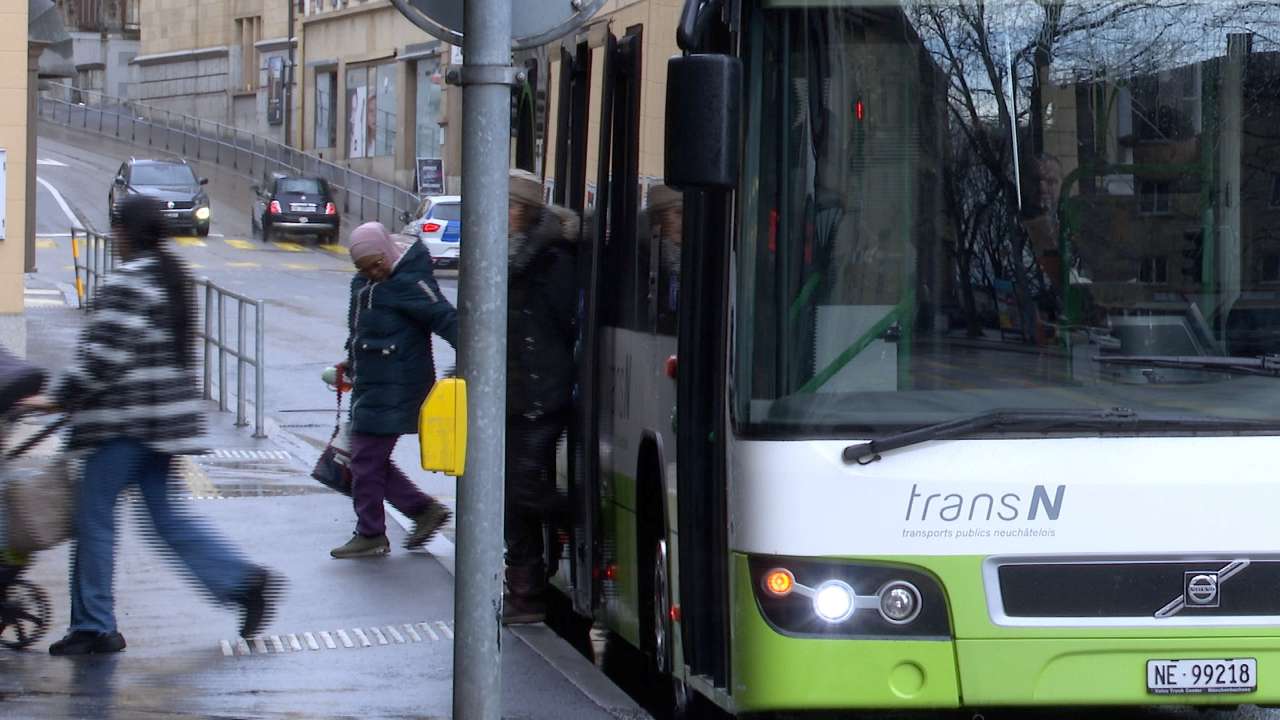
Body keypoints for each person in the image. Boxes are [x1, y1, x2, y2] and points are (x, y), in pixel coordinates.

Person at [46, 195, 279, 656]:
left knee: (94, 519)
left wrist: (60, 395)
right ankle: (243, 581)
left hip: (123, 423)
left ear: (124, 232)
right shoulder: (169, 276)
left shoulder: (129, 279)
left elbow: (104, 357)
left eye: (115, 229)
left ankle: (94, 626)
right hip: (165, 425)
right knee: (165, 518)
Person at [331, 222, 457, 559]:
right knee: (367, 459)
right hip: (373, 383)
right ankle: (422, 511)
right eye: (363, 268)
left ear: (386, 251)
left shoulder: (409, 282)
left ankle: (371, 533)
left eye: (376, 264)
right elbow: (361, 331)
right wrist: (351, 362)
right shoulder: (364, 283)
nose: (373, 272)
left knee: (365, 458)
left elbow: (447, 319)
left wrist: (477, 361)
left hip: (399, 384)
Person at [503, 169, 580, 624]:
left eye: (511, 207)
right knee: (509, 496)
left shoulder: (552, 260)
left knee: (522, 490)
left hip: (541, 395)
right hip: (511, 395)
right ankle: (524, 586)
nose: (503, 215)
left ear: (529, 212)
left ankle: (529, 589)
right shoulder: (501, 255)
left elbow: (565, 324)